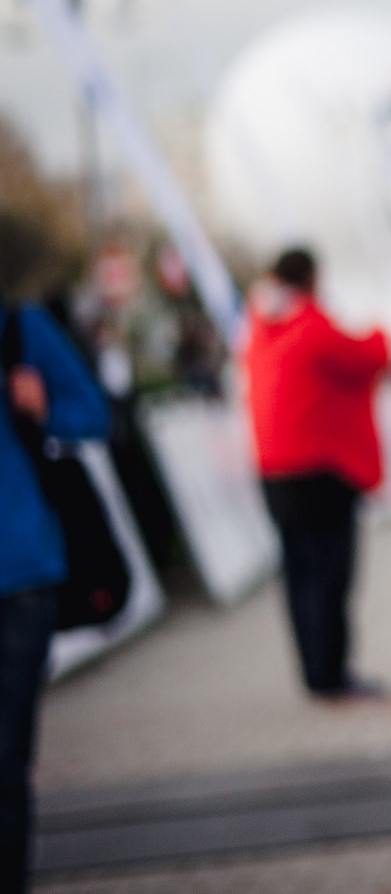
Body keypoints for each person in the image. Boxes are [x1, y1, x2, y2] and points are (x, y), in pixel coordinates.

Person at [243, 247, 391, 700]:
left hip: (274, 472)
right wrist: (383, 328)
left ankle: (313, 671)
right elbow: (369, 355)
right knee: (331, 574)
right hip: (322, 471)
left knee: (297, 573)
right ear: (311, 278)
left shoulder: (259, 329)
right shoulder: (310, 325)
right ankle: (331, 673)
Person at [1, 298, 109, 894]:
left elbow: (91, 412)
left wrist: (41, 409)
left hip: (20, 577)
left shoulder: (17, 329)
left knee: (4, 766)